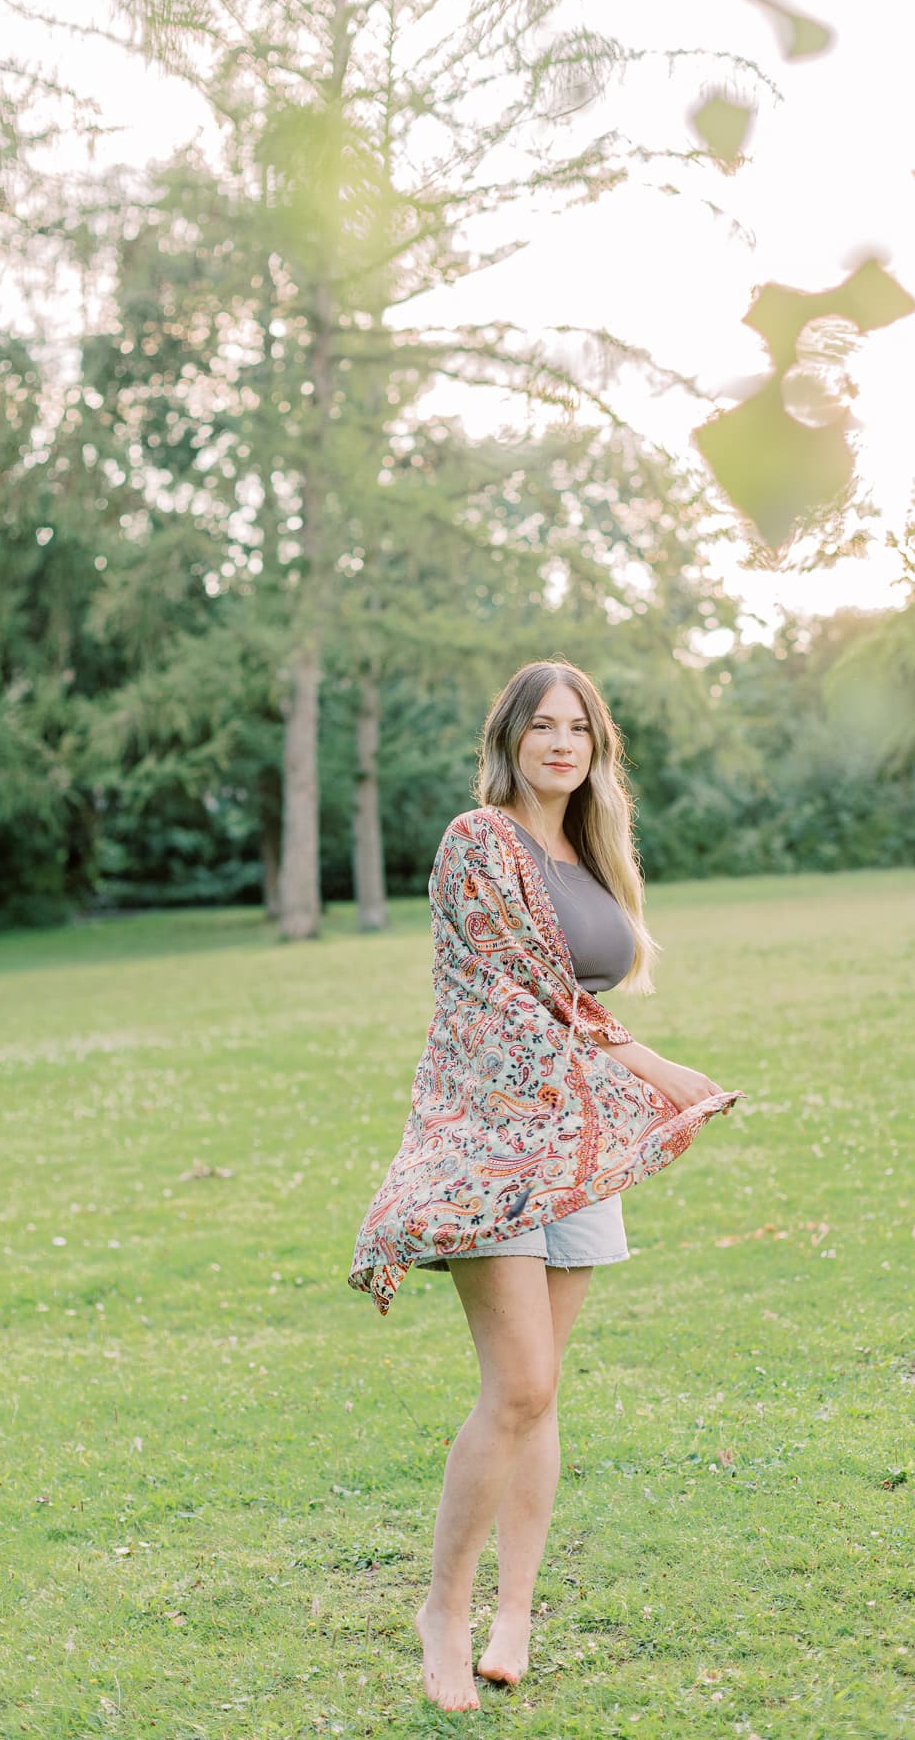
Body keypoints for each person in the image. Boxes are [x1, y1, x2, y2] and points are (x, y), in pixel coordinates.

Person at [348, 659, 742, 1712]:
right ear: (510, 740)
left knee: (541, 1393)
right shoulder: (480, 844)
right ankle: (443, 1609)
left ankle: (513, 1612)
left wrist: (626, 1107)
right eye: (542, 727)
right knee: (516, 1383)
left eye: (580, 728)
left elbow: (585, 997)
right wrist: (652, 1077)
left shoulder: (594, 854)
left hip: (570, 1152)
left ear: (598, 747)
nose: (562, 744)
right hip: (490, 1148)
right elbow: (528, 1000)